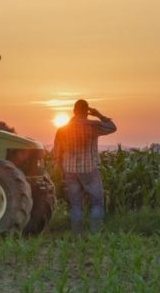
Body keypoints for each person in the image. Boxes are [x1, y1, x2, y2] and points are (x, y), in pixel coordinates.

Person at [53, 99, 117, 235]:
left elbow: (57, 154)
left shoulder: (62, 130)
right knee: (97, 202)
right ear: (87, 111)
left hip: (70, 170)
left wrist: (62, 172)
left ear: (74, 111)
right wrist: (98, 114)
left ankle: (77, 235)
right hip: (89, 170)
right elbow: (112, 127)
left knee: (76, 205)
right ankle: (96, 234)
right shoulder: (93, 125)